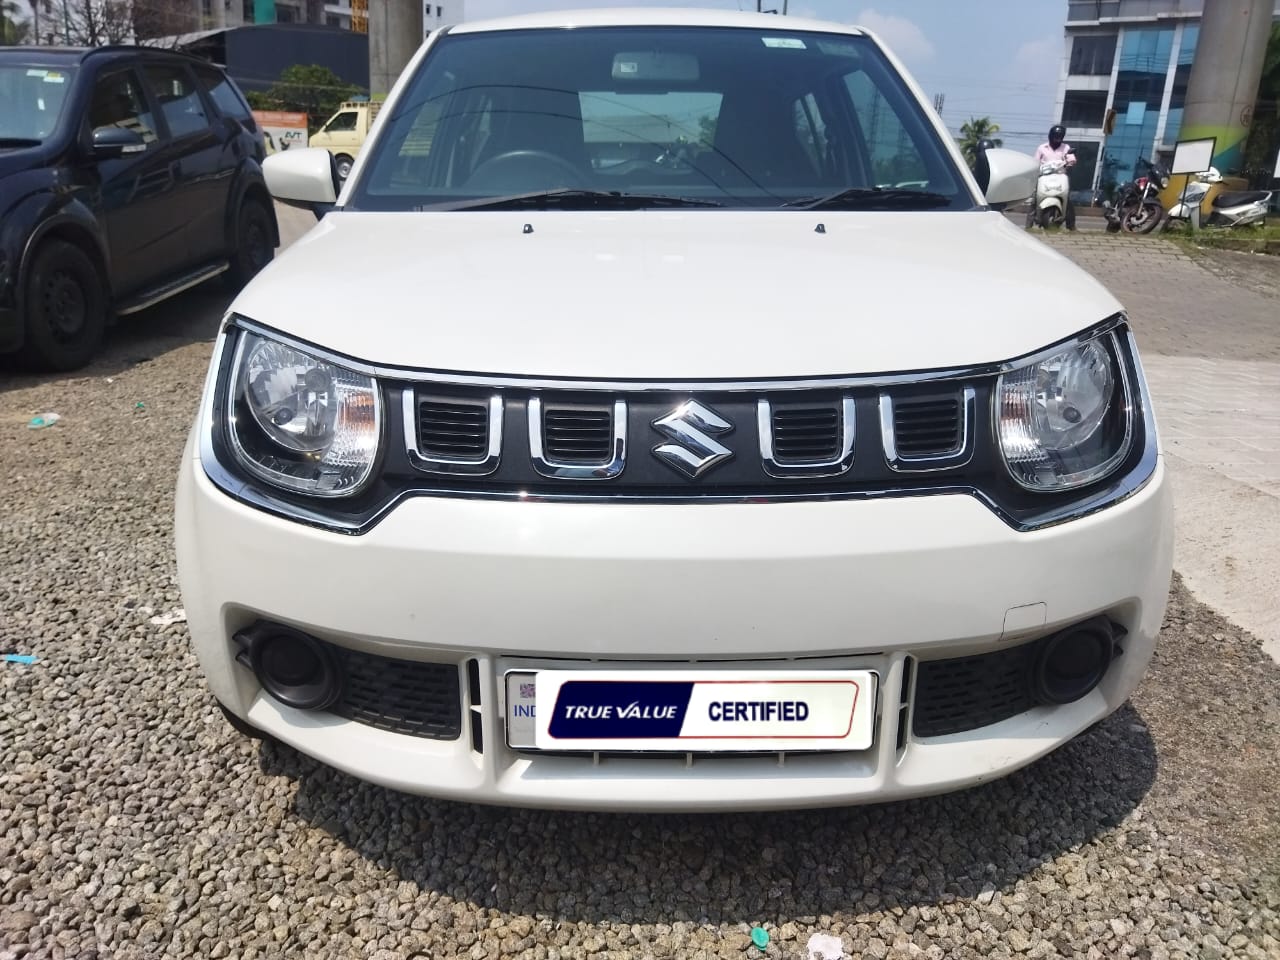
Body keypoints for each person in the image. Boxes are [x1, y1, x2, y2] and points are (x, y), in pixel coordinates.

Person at [1032, 124, 1078, 230]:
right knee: (1035, 198)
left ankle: (1071, 226)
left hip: (1060, 176)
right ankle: (1029, 223)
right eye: (1055, 136)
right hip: (1044, 176)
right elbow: (1035, 161)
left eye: (1059, 137)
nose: (1057, 139)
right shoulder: (1042, 148)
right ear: (1050, 136)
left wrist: (1070, 161)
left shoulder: (1066, 148)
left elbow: (1071, 158)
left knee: (1067, 198)